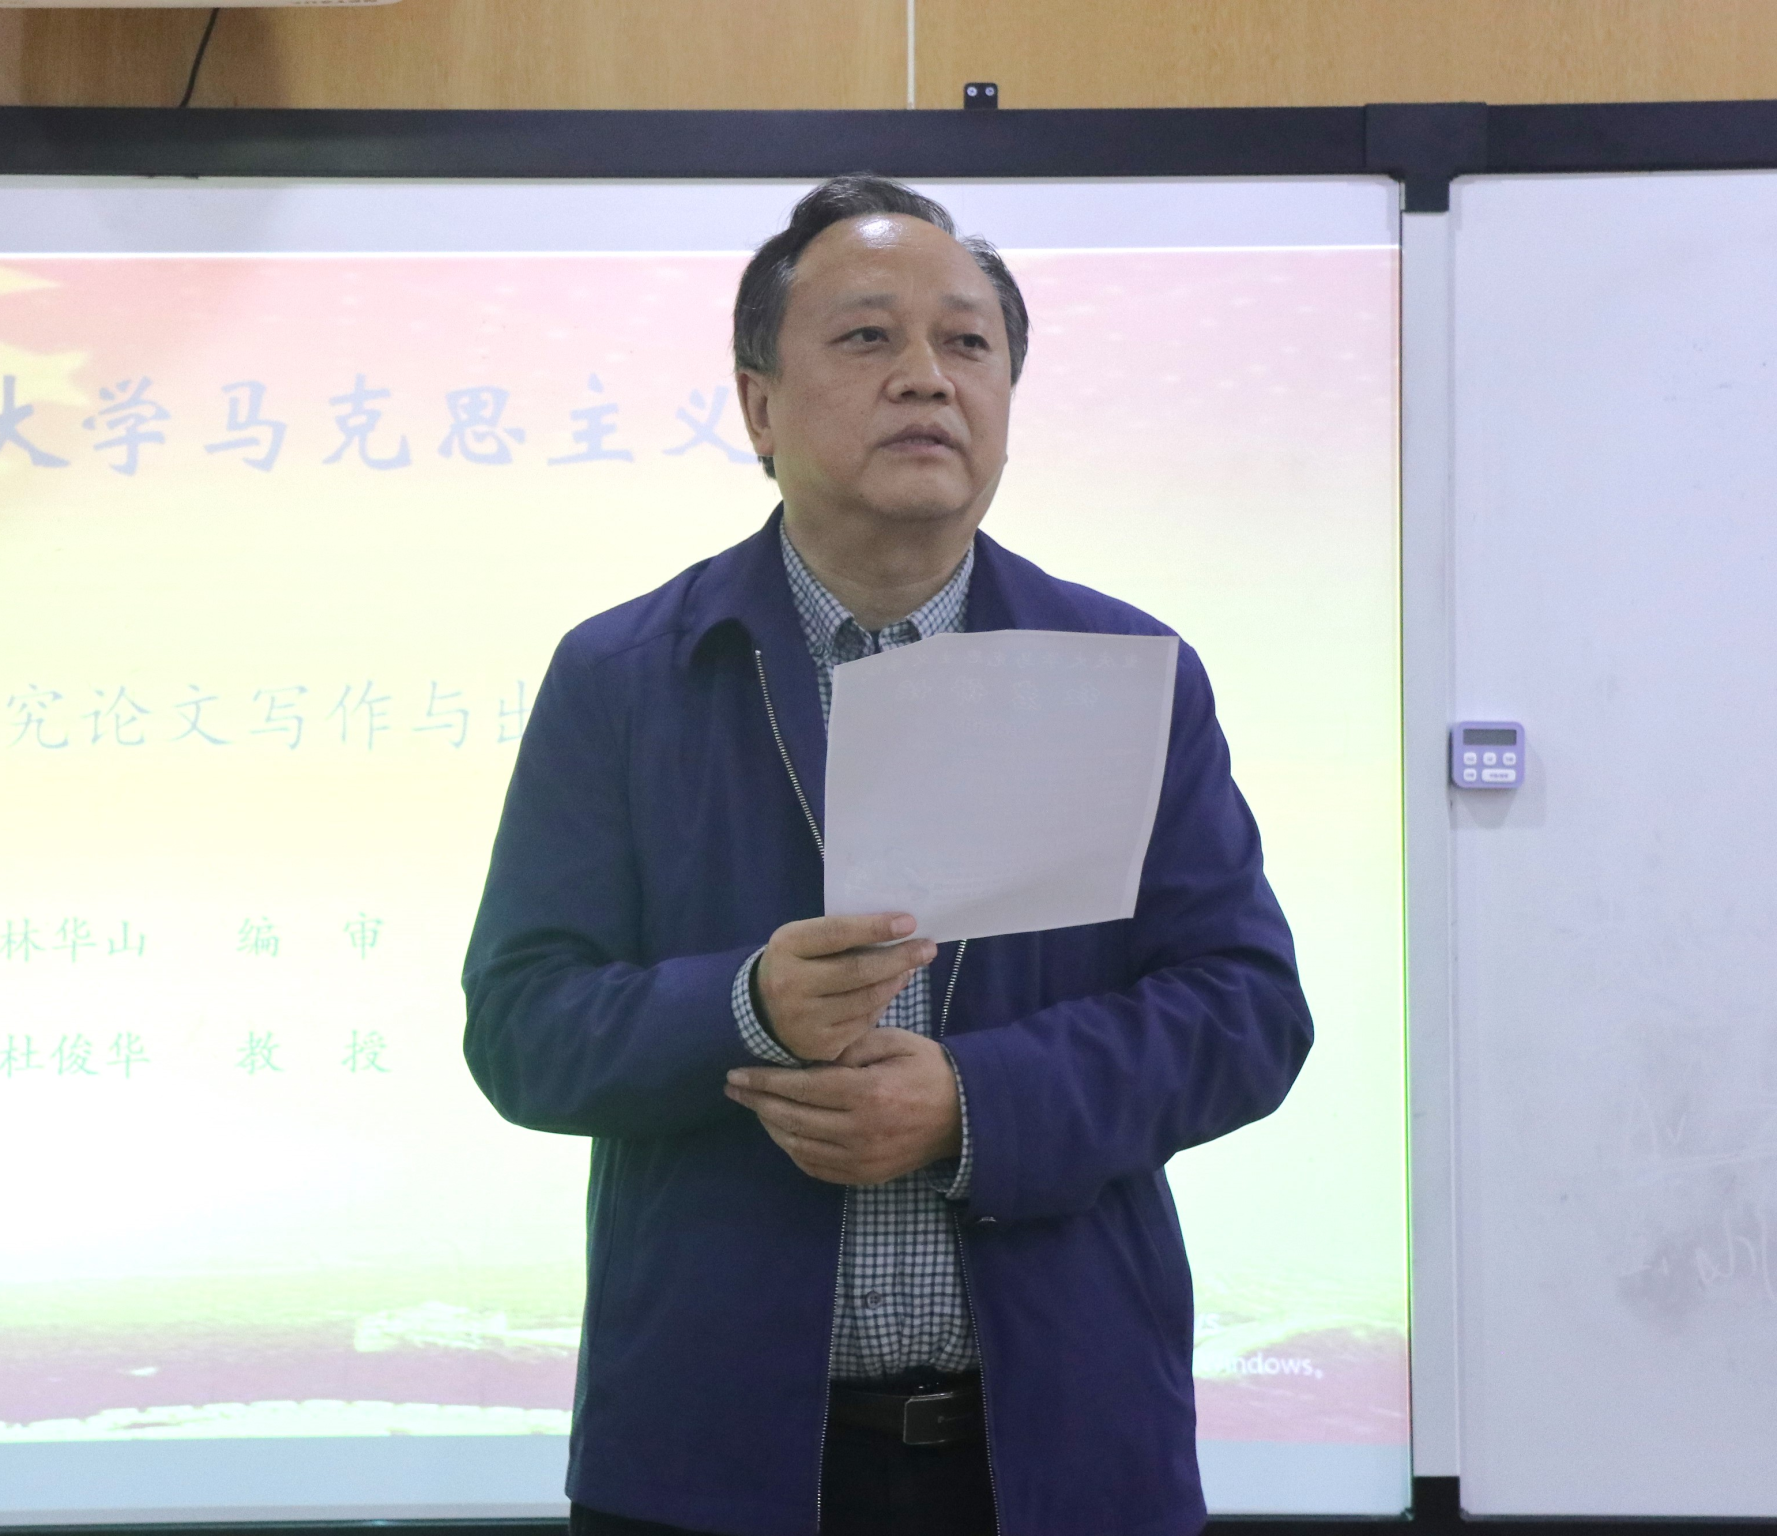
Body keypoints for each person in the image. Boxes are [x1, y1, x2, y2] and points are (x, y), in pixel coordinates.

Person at [463, 175, 1312, 1536]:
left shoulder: (1120, 673)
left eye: (968, 342)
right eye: (867, 336)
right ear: (758, 407)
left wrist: (976, 1104)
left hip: (1062, 1460)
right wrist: (744, 1009)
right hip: (714, 1467)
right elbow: (522, 1029)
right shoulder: (626, 677)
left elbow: (1246, 1012)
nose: (927, 376)